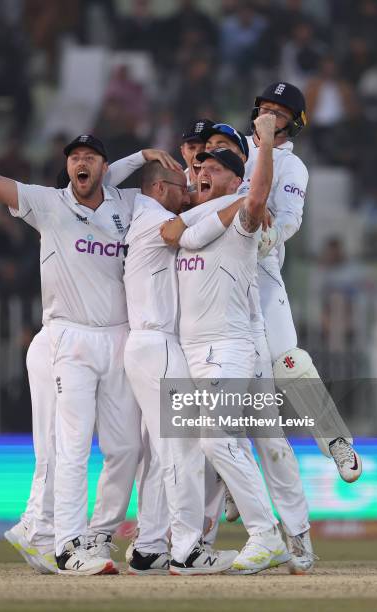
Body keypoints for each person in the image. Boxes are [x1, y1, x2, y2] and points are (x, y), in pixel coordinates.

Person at [0, 84, 179, 576]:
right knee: (72, 445)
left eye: (91, 156)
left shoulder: (128, 204)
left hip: (119, 339)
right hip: (69, 338)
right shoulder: (47, 204)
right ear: (67, 165)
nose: (82, 162)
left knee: (126, 448)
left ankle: (95, 535)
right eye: (75, 156)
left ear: (104, 168)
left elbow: (168, 195)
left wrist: (149, 158)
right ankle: (68, 547)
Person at [163, 114, 292, 575]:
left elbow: (256, 197)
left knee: (217, 440)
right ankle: (186, 541)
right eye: (199, 167)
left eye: (214, 167)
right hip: (191, 350)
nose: (202, 172)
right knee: (200, 447)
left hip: (229, 345)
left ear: (235, 178)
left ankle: (266, 535)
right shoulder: (187, 217)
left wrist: (269, 143)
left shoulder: (242, 216)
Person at [242, 82, 362, 485]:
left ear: (294, 124)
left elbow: (290, 217)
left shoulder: (292, 167)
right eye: (266, 108)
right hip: (207, 273)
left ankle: (337, 441)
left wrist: (269, 238)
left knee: (288, 361)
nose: (270, 116)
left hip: (260, 271)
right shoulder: (229, 147)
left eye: (279, 111)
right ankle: (226, 475)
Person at [124, 161, 239, 575]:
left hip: (148, 345)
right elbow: (195, 221)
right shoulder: (155, 216)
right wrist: (244, 200)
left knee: (160, 454)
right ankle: (188, 550)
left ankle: (149, 546)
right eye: (182, 185)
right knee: (184, 447)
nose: (189, 189)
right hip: (158, 344)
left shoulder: (146, 213)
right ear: (159, 188)